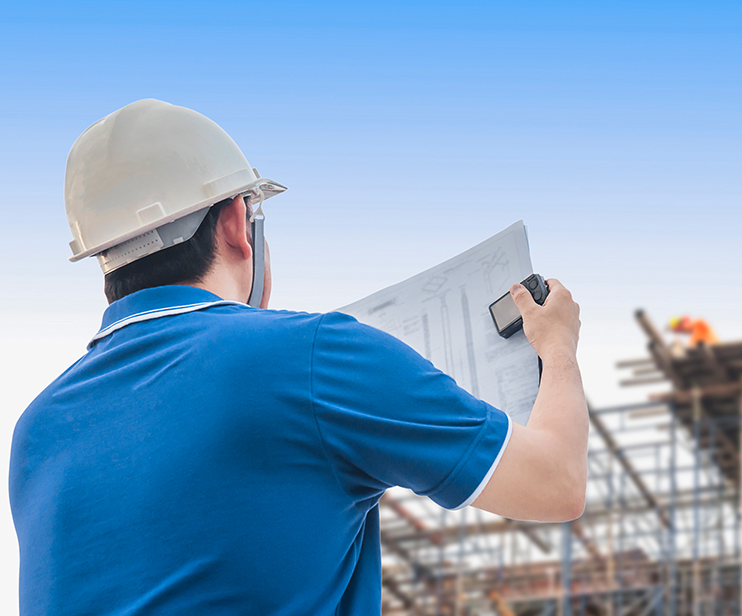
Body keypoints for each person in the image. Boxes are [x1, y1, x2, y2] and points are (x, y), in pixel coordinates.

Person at [9, 99, 588, 615]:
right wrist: (557, 347)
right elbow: (556, 482)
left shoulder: (35, 431)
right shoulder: (311, 355)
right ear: (238, 221)